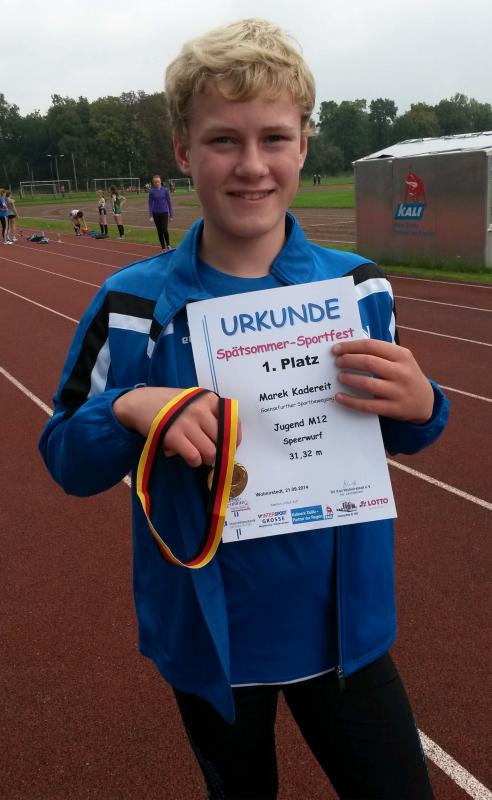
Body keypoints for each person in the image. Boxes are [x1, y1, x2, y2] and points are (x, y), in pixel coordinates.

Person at [39, 19, 449, 800]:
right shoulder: (130, 305)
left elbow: (401, 430)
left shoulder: (359, 288)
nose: (252, 165)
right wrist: (129, 406)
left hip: (346, 633)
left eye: (274, 138)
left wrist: (424, 403)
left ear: (304, 144)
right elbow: (65, 458)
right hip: (210, 639)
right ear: (184, 150)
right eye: (224, 140)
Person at [147, 174, 173, 250]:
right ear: (153, 182)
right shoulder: (152, 192)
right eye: (155, 182)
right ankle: (163, 247)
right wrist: (150, 215)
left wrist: (171, 215)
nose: (157, 183)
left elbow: (169, 203)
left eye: (158, 181)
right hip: (155, 214)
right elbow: (150, 204)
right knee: (159, 231)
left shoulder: (165, 190)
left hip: (164, 212)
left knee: (164, 229)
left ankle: (168, 244)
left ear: (160, 181)